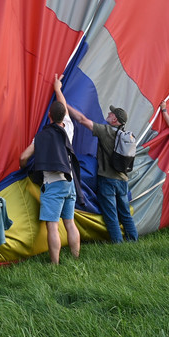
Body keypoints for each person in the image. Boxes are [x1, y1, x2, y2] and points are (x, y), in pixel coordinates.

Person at [56, 75, 138, 243]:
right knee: (125, 214)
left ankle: (118, 244)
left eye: (111, 113)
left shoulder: (106, 131)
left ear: (115, 119)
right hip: (122, 180)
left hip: (107, 180)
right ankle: (133, 241)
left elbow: (81, 119)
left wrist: (63, 102)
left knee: (111, 215)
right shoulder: (126, 136)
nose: (108, 113)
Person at [19, 98, 83, 264]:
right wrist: (58, 88)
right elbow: (64, 110)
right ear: (63, 116)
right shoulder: (68, 129)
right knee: (70, 222)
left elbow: (23, 157)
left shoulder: (40, 137)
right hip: (69, 183)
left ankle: (55, 264)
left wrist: (23, 167)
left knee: (52, 226)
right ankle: (76, 258)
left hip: (53, 185)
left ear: (49, 115)